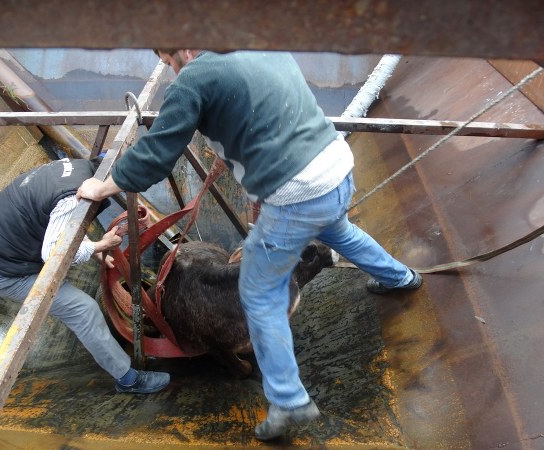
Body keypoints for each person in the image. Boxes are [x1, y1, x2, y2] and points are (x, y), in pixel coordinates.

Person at [76, 50, 422, 440]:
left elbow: (155, 156)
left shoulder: (195, 77)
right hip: (336, 169)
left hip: (295, 196)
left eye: (169, 60)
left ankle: (289, 400)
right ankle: (402, 277)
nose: (174, 69)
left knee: (258, 297)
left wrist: (104, 185)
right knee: (341, 233)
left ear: (184, 50)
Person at [0, 157, 170, 395]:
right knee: (83, 310)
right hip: (4, 270)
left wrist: (95, 252)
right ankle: (128, 380)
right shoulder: (71, 197)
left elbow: (62, 221)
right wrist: (99, 245)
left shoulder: (81, 168)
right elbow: (55, 254)